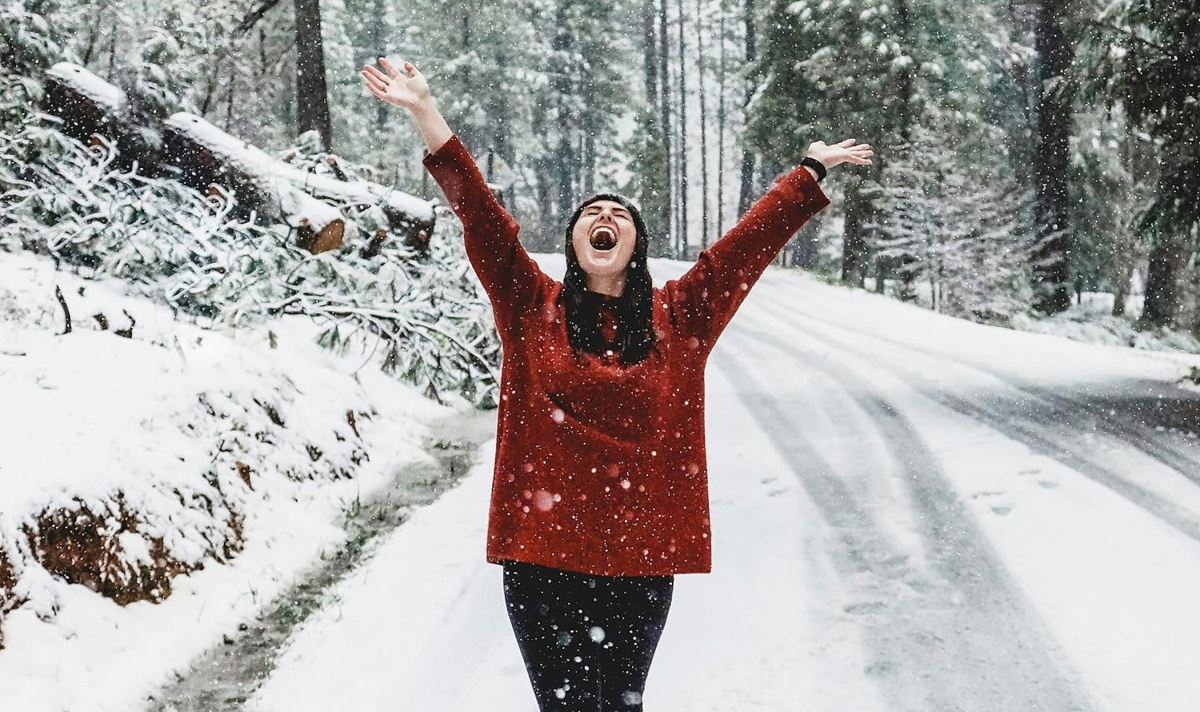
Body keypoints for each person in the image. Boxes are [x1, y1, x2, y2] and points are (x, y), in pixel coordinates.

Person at [361, 57, 872, 711]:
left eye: (618, 214)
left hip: (639, 562)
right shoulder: (528, 306)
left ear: (636, 243)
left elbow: (744, 249)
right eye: (590, 214)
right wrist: (426, 115)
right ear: (576, 241)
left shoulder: (680, 318)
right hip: (541, 558)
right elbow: (483, 220)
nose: (604, 217)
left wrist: (807, 175)